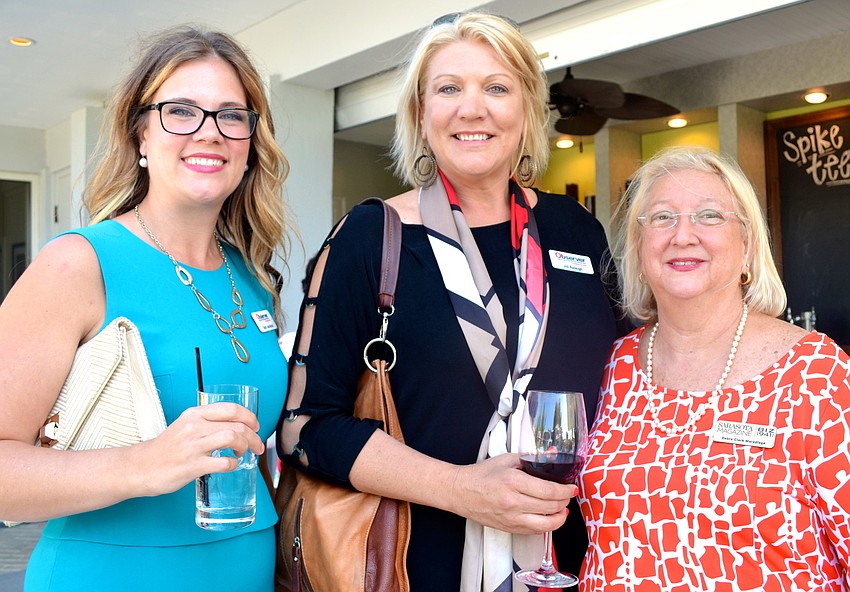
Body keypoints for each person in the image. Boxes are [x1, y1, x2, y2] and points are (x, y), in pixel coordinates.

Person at [279, 11, 627, 591]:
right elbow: (305, 428)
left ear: (527, 109)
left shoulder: (575, 230)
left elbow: (628, 380)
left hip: (571, 565)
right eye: (448, 88)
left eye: (497, 88)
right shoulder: (370, 238)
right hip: (415, 568)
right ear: (421, 113)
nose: (472, 108)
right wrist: (461, 490)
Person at [0, 26, 293, 590]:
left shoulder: (252, 277)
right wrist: (145, 463)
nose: (210, 132)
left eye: (232, 115)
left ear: (251, 143)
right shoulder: (78, 264)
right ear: (140, 135)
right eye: (180, 111)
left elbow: (251, 455)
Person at [578, 146, 850, 591]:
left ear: (747, 246)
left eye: (709, 216)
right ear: (639, 249)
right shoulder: (613, 364)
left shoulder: (815, 375)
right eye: (662, 217)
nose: (683, 235)